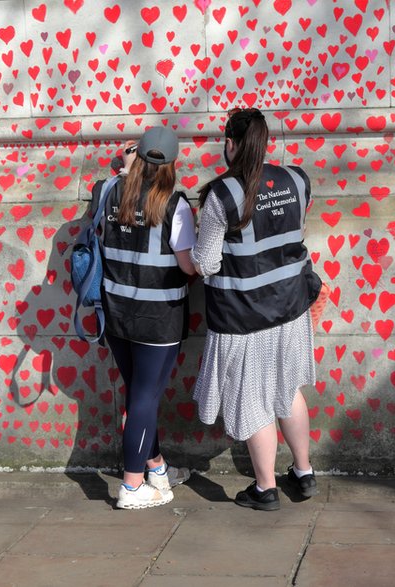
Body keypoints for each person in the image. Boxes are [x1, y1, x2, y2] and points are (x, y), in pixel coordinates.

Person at [192, 107, 321, 511]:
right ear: (266, 144)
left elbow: (206, 263)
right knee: (288, 389)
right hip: (291, 308)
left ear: (230, 144)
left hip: (244, 316)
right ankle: (303, 472)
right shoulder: (297, 179)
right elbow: (295, 231)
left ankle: (265, 489)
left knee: (253, 399)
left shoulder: (221, 194)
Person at [95, 127, 196, 509]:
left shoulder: (106, 191)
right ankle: (132, 487)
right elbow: (188, 266)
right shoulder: (176, 203)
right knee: (143, 399)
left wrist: (124, 170)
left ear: (136, 155)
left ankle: (156, 468)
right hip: (159, 318)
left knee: (139, 396)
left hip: (117, 313)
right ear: (171, 163)